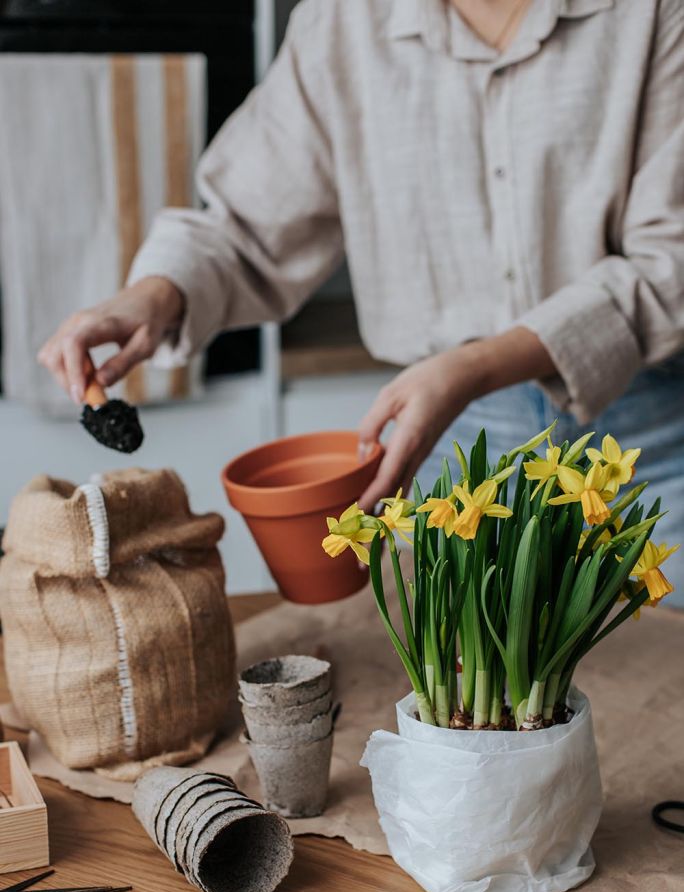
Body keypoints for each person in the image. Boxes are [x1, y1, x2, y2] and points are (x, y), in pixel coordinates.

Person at [39, 0, 684, 594]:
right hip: (454, 450)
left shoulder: (651, 12)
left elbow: (672, 259)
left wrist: (476, 366)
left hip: (649, 440)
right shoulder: (344, 23)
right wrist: (158, 291)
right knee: (472, 693)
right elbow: (246, 224)